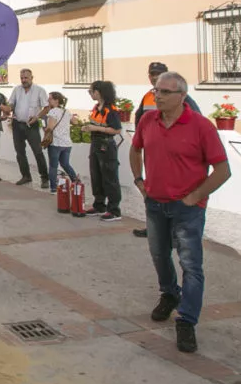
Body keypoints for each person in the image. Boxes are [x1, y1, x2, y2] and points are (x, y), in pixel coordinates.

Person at [130, 71, 230, 354]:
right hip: (155, 203)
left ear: (182, 97)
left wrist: (195, 197)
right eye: (156, 90)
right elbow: (135, 149)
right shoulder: (148, 120)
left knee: (190, 263)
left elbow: (223, 171)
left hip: (187, 209)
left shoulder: (201, 126)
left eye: (164, 92)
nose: (157, 96)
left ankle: (187, 320)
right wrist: (140, 181)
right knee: (159, 254)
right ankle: (169, 294)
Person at [132, 62, 201, 239]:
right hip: (154, 155)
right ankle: (155, 227)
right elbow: (139, 119)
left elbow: (196, 124)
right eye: (152, 74)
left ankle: (176, 230)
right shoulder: (148, 97)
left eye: (159, 74)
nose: (155, 77)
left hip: (176, 158)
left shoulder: (183, 99)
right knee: (154, 191)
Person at [77, 80, 125, 221]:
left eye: (92, 91)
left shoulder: (111, 110)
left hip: (107, 145)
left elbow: (116, 129)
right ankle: (99, 205)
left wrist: (96, 128)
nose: (90, 93)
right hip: (96, 143)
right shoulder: (96, 108)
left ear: (99, 92)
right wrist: (87, 127)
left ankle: (114, 210)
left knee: (109, 178)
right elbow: (96, 124)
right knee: (96, 175)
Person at [6, 69, 49, 188]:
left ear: (31, 78)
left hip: (32, 125)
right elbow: (11, 104)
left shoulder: (39, 90)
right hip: (17, 124)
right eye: (22, 78)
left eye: (26, 78)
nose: (24, 80)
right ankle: (26, 176)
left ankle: (44, 178)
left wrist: (37, 117)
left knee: (38, 152)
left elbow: (46, 108)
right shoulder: (17, 89)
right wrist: (7, 110)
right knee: (20, 152)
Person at [42, 92, 79, 193]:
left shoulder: (53, 112)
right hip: (67, 143)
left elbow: (50, 127)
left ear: (56, 100)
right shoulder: (66, 112)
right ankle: (76, 182)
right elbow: (75, 121)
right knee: (65, 164)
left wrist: (44, 128)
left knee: (53, 166)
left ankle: (53, 188)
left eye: (50, 99)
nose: (48, 100)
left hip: (56, 143)